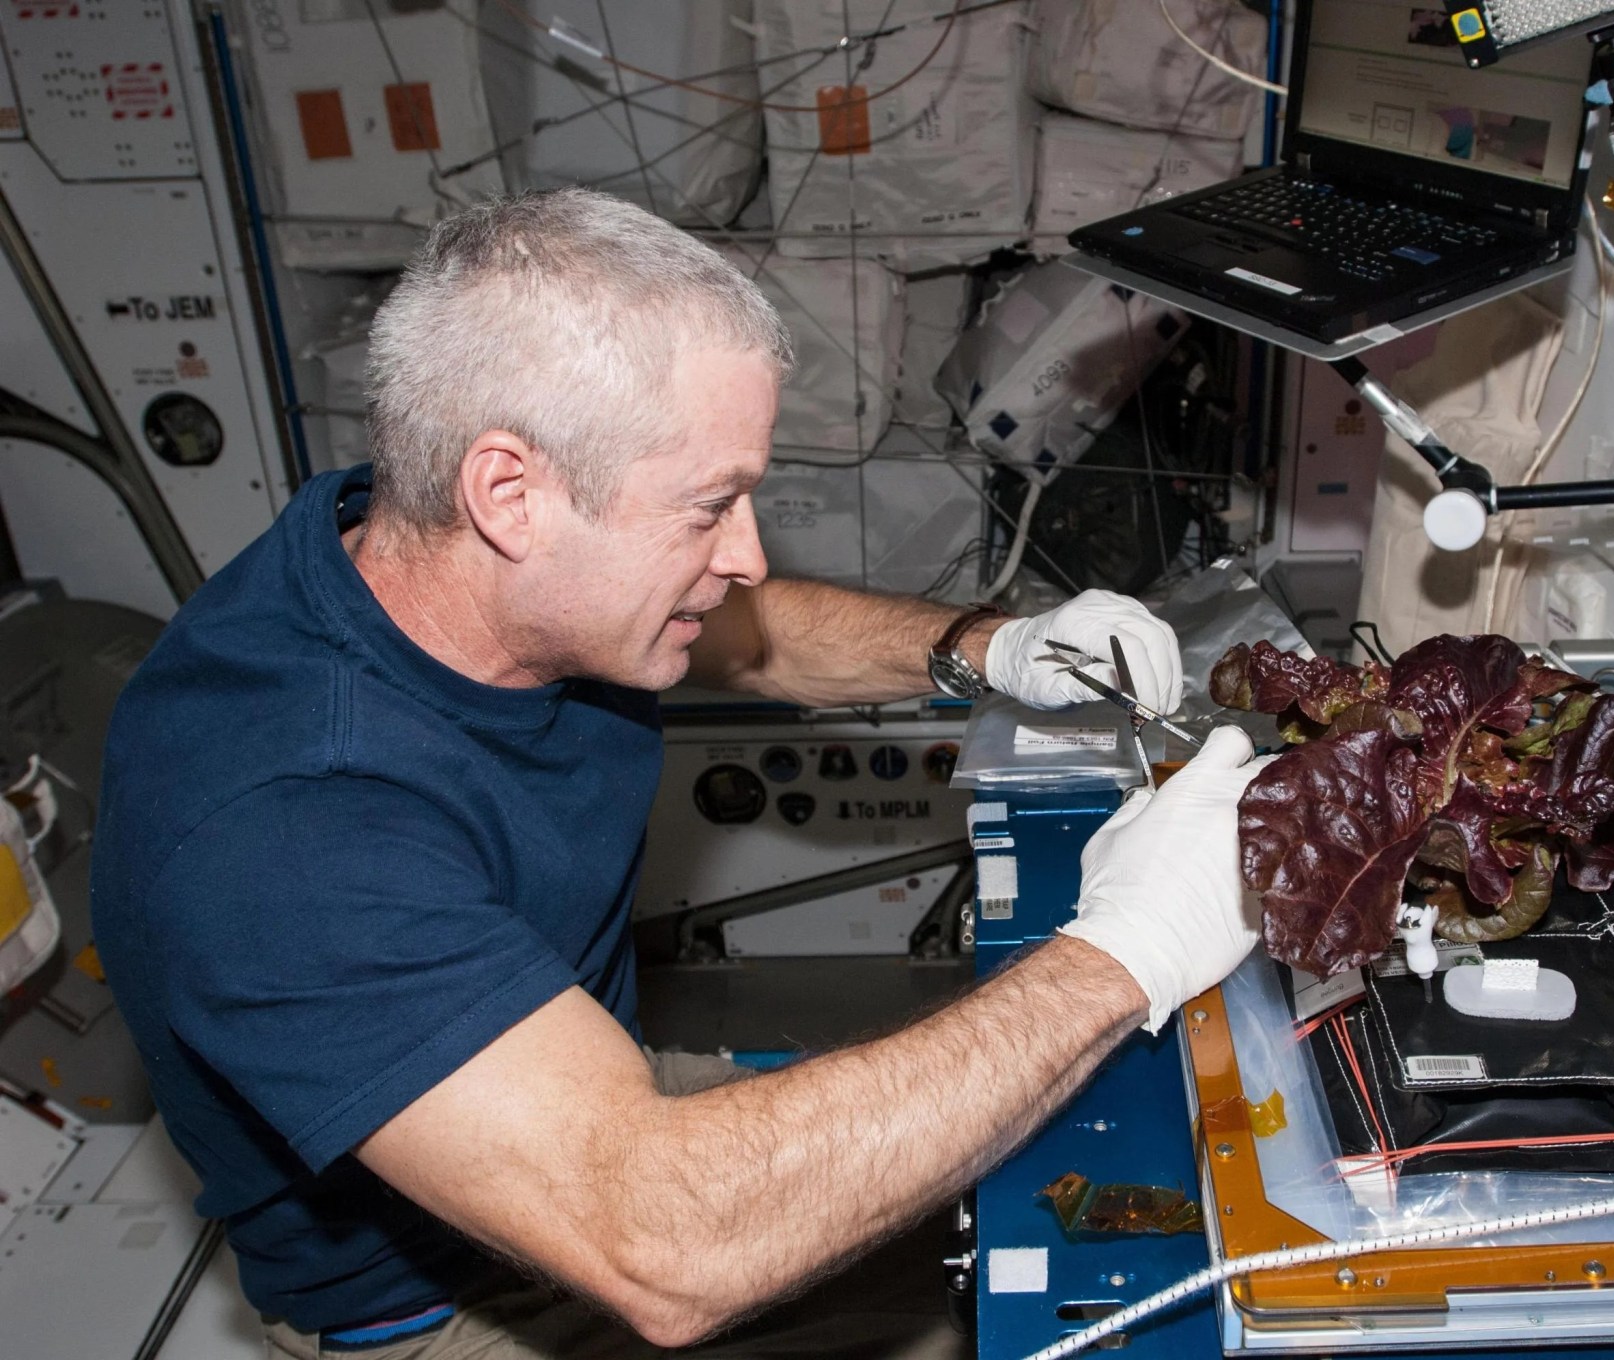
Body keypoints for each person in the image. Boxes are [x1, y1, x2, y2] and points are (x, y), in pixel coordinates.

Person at [91, 189, 1269, 1357]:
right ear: (510, 494)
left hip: (589, 1084)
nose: (746, 554)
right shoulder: (286, 821)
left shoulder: (442, 562)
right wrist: (1122, 955)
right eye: (708, 508)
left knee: (1096, 1193)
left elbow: (741, 628)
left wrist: (987, 647)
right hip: (462, 1290)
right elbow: (665, 1243)